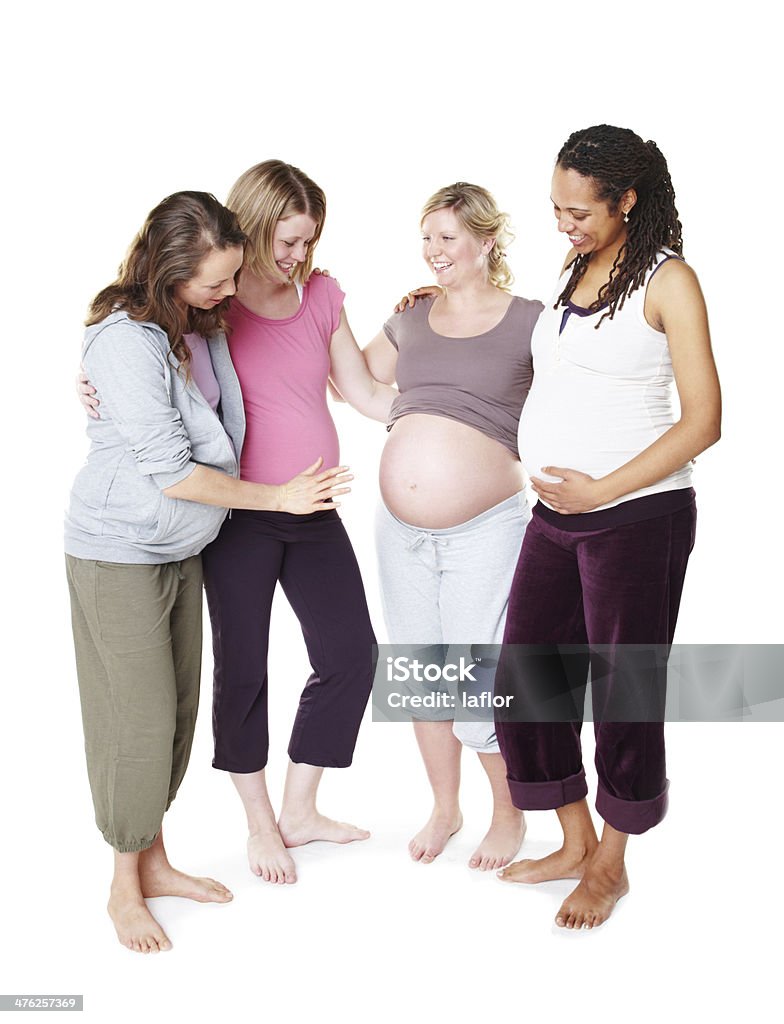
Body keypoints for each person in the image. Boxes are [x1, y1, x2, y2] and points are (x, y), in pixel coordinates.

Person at [65, 191, 349, 953]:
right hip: (116, 549)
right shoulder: (125, 343)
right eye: (216, 283)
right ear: (169, 269)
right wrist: (277, 498)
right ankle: (123, 886)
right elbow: (171, 469)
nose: (231, 293)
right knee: (138, 725)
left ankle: (154, 863)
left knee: (177, 719)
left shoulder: (190, 330)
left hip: (179, 550)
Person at [493, 125, 721, 929]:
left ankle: (612, 866)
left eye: (580, 211)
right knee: (526, 676)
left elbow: (704, 422)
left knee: (625, 693)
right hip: (554, 515)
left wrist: (605, 489)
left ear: (627, 200)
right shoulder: (573, 269)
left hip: (637, 519)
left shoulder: (670, 281)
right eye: (556, 209)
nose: (565, 224)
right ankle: (573, 839)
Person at [200, 161, 398, 884]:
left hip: (313, 510)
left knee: (350, 656)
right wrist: (91, 380)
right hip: (243, 514)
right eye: (287, 241)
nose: (297, 258)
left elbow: (367, 394)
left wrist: (429, 341)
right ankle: (259, 826)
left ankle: (301, 810)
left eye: (308, 242)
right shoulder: (214, 301)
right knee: (243, 670)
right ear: (252, 227)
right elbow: (158, 369)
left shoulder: (320, 295)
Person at [363, 183, 543, 870]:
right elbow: (356, 382)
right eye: (427, 237)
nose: (434, 251)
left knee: (481, 681)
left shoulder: (530, 320)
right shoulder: (410, 317)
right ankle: (444, 807)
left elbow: (569, 397)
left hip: (485, 528)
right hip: (400, 530)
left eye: (447, 236)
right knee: (419, 672)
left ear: (486, 239)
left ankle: (508, 814)